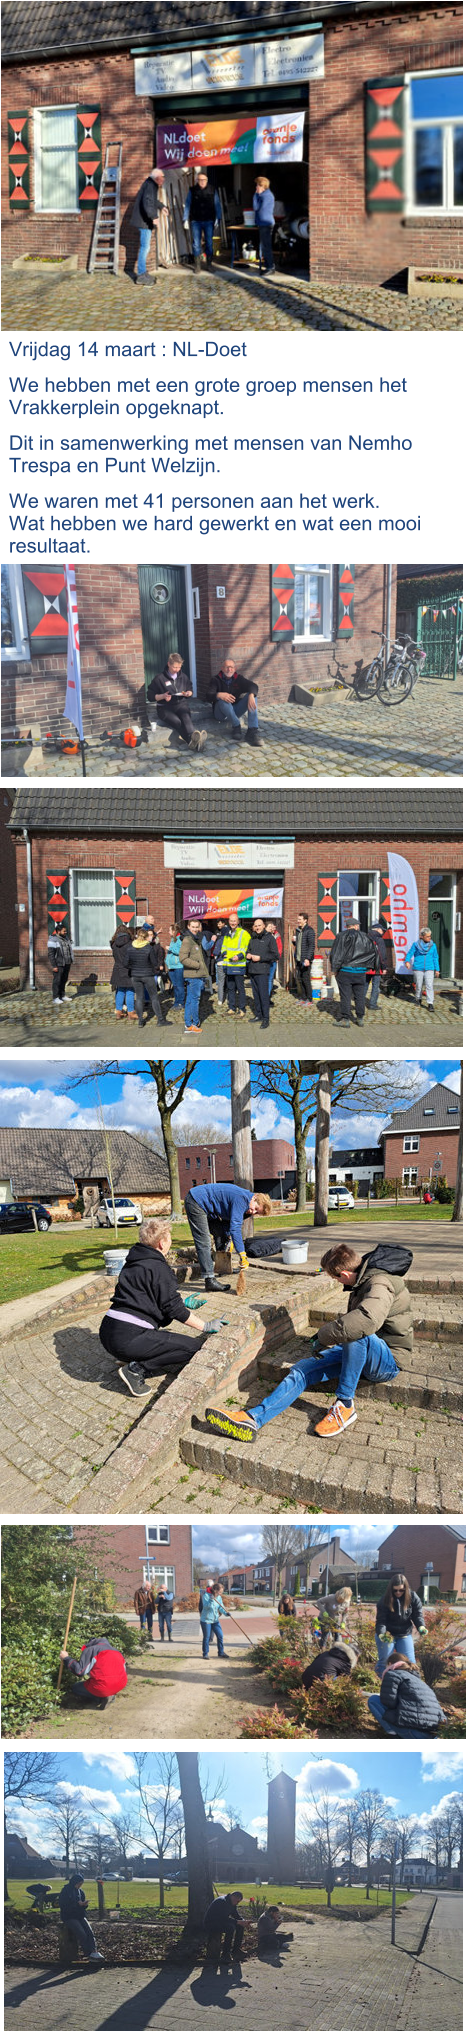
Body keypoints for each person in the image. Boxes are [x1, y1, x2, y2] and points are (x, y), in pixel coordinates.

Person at [204, 1239, 413, 1441]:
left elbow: (365, 1321)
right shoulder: (363, 1280)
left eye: (336, 1278)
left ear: (346, 1274)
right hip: (367, 1351)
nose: (337, 1282)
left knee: (355, 1331)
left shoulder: (380, 1283)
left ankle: (345, 1405)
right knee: (302, 1369)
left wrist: (324, 1335)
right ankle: (252, 1419)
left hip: (388, 1361)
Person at [99, 1215, 213, 1397]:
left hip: (108, 1332)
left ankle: (131, 1356)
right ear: (161, 1243)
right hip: (128, 1339)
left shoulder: (133, 1262)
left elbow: (146, 1297)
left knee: (164, 1339)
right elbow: (174, 1310)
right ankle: (137, 1369)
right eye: (169, 1238)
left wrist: (183, 1302)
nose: (170, 1242)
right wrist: (205, 1326)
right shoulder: (159, 1268)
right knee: (193, 1348)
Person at [185, 1180, 271, 1291]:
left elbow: (228, 1224)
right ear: (254, 1198)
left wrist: (228, 1237)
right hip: (196, 1201)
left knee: (222, 1235)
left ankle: (223, 1268)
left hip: (211, 1211)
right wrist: (242, 1254)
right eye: (255, 1208)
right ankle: (209, 1280)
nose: (253, 1212)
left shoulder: (248, 1209)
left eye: (256, 1212)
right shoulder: (241, 1199)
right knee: (204, 1241)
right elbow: (235, 1229)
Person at [367, 1656, 446, 1739]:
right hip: (433, 1733)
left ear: (390, 1664)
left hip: (413, 1733)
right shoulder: (419, 1681)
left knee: (373, 1700)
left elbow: (389, 1702)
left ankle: (393, 1734)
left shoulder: (392, 1674)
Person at [146, 651, 207, 753]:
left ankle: (194, 740)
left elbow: (190, 688)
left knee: (186, 717)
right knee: (177, 722)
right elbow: (150, 696)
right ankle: (194, 741)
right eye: (174, 667)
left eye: (179, 667)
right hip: (164, 707)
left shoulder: (183, 677)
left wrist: (188, 693)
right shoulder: (159, 678)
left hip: (180, 704)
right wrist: (163, 696)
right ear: (168, 664)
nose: (177, 670)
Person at [330, 913, 382, 1027]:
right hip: (361, 971)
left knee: (345, 995)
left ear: (347, 926)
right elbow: (375, 953)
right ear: (356, 926)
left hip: (345, 970)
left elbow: (336, 953)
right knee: (359, 995)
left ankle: (345, 1019)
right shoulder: (366, 937)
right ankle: (360, 1018)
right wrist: (374, 967)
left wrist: (334, 968)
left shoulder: (341, 936)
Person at [375, 1573, 427, 1676]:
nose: (398, 1592)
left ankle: (412, 1683)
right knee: (385, 1660)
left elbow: (417, 1615)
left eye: (401, 1590)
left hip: (404, 1633)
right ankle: (381, 1683)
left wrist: (421, 1626)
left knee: (409, 1662)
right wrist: (382, 1634)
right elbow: (381, 1621)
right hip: (387, 1635)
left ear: (406, 1588)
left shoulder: (413, 1597)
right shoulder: (384, 1600)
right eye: (395, 1590)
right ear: (391, 1589)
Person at [207, 657, 261, 747]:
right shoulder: (215, 680)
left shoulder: (239, 679)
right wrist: (219, 695)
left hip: (235, 710)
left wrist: (251, 694)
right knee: (222, 700)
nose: (229, 669)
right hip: (220, 713)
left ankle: (252, 731)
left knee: (252, 696)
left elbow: (253, 685)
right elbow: (208, 695)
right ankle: (236, 726)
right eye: (227, 667)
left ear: (235, 669)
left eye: (231, 667)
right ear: (222, 668)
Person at [59, 1636, 128, 1705]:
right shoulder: (117, 1651)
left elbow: (80, 1671)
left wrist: (66, 1658)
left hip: (102, 1686)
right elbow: (123, 1670)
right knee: (98, 1683)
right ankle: (110, 1694)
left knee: (76, 1688)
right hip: (121, 1684)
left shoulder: (91, 1650)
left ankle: (101, 1698)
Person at [127, 928, 170, 1029]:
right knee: (154, 997)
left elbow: (125, 963)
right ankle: (160, 1020)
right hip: (148, 975)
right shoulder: (148, 948)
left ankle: (141, 1021)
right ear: (146, 937)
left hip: (135, 975)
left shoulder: (130, 948)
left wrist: (133, 967)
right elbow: (155, 963)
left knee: (139, 998)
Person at [131, 166, 165, 285]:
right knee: (145, 247)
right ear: (157, 177)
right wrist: (154, 217)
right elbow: (148, 203)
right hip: (144, 221)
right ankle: (141, 275)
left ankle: (143, 272)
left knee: (145, 247)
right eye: (162, 177)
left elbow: (152, 201)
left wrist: (162, 206)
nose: (164, 179)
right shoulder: (150, 185)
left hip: (143, 220)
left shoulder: (150, 184)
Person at [58, 1875, 104, 1963]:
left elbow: (81, 1906)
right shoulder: (66, 1891)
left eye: (81, 1884)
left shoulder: (80, 1892)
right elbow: (63, 1906)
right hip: (69, 1916)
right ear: (74, 1882)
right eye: (79, 1884)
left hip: (79, 1915)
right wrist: (77, 1905)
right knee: (82, 1933)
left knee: (90, 1932)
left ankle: (94, 1951)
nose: (80, 1886)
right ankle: (89, 1953)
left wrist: (84, 1905)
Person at [183, 171, 222, 273]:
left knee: (209, 243)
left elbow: (217, 204)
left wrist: (218, 218)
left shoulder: (212, 190)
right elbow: (187, 204)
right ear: (197, 180)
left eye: (204, 180)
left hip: (209, 220)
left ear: (207, 180)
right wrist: (185, 219)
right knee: (196, 243)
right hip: (196, 221)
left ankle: (209, 265)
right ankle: (197, 266)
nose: (202, 182)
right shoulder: (192, 190)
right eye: (200, 180)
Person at [179, 918, 212, 1033]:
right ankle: (194, 1023)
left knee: (189, 1000)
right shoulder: (188, 940)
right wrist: (197, 965)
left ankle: (188, 1024)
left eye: (196, 927)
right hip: (193, 975)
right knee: (194, 1000)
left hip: (196, 975)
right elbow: (182, 958)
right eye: (192, 927)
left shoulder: (195, 939)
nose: (194, 929)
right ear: (188, 927)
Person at [246, 918, 279, 1028]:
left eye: (259, 925)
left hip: (263, 971)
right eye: (255, 926)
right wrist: (248, 954)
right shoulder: (253, 938)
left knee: (264, 996)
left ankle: (266, 1019)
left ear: (264, 926)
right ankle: (258, 1015)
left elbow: (275, 955)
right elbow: (248, 950)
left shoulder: (270, 938)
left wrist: (260, 958)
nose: (257, 927)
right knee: (256, 995)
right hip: (252, 971)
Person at [220, 911, 251, 1016]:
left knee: (240, 988)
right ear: (229, 922)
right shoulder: (227, 933)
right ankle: (231, 1008)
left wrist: (239, 956)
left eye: (235, 921)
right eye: (231, 921)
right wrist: (223, 952)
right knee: (230, 988)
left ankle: (242, 1009)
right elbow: (224, 946)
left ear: (238, 921)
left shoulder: (244, 933)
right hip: (228, 966)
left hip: (238, 965)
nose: (233, 923)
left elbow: (247, 948)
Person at [404, 927, 440, 1012]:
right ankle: (418, 998)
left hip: (429, 968)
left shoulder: (433, 946)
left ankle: (430, 1003)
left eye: (430, 936)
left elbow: (435, 957)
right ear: (422, 936)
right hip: (418, 968)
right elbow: (409, 953)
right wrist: (407, 961)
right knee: (419, 985)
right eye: (427, 936)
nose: (429, 938)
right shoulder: (415, 945)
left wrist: (437, 969)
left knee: (429, 985)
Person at [203, 1891, 244, 1962]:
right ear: (233, 1897)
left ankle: (236, 1950)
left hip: (221, 1921)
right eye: (237, 1901)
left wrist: (243, 1921)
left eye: (238, 1902)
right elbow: (223, 1918)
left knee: (240, 1926)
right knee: (230, 1928)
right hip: (211, 1923)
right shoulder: (222, 1902)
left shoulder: (232, 1903)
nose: (237, 1903)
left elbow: (236, 1916)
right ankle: (225, 1954)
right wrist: (237, 1922)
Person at [110, 926, 137, 1021]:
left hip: (117, 969)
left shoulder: (113, 944)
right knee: (130, 991)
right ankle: (131, 1012)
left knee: (120, 991)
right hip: (128, 969)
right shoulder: (130, 943)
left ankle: (118, 1012)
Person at [253, 176, 276, 275]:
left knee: (266, 246)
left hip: (265, 223)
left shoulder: (266, 196)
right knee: (265, 245)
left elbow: (256, 207)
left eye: (257, 185)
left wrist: (255, 196)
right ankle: (268, 266)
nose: (256, 187)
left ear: (263, 186)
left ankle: (270, 267)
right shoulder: (265, 195)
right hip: (264, 223)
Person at [365, 918, 388, 1014]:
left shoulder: (365, 937)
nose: (383, 932)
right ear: (378, 929)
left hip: (365, 966)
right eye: (382, 930)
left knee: (364, 985)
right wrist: (384, 967)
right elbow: (382, 955)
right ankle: (372, 1004)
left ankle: (360, 1002)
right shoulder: (379, 939)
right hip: (376, 967)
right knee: (375, 986)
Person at [292, 913, 315, 1003]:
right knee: (300, 979)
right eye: (298, 919)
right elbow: (299, 945)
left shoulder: (309, 931)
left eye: (300, 919)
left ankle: (309, 999)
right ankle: (303, 998)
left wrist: (308, 958)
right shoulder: (298, 931)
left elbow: (311, 946)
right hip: (298, 959)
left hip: (305, 959)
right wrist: (294, 942)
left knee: (306, 979)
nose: (298, 921)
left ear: (305, 920)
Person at [47, 927, 73, 1004]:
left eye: (66, 931)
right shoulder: (53, 940)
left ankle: (62, 995)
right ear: (58, 931)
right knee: (57, 981)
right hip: (58, 964)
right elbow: (51, 954)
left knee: (64, 980)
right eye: (64, 931)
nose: (65, 932)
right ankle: (55, 997)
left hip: (67, 963)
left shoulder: (66, 939)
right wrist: (54, 966)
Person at [165, 922, 186, 1013]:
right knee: (176, 986)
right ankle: (177, 1002)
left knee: (180, 986)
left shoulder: (180, 939)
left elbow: (180, 951)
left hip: (178, 966)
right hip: (172, 966)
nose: (168, 932)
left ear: (174, 931)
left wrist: (170, 948)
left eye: (169, 930)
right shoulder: (173, 939)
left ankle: (180, 1002)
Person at [266, 920, 281, 999]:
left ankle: (268, 995)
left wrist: (278, 957)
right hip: (265, 960)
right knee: (265, 978)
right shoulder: (264, 936)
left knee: (270, 978)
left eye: (272, 926)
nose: (272, 928)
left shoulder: (276, 935)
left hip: (273, 960)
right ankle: (265, 995)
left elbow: (279, 947)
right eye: (270, 927)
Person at [213, 921, 227, 1006]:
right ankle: (229, 998)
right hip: (230, 963)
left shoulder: (220, 940)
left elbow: (215, 952)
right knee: (229, 982)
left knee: (221, 982)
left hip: (221, 963)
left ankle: (220, 1000)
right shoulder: (231, 940)